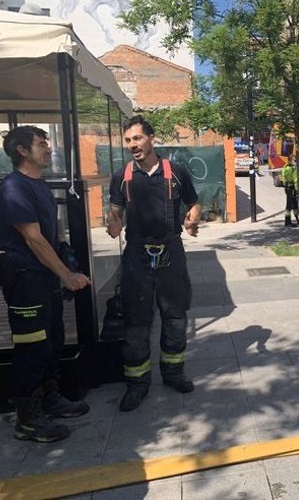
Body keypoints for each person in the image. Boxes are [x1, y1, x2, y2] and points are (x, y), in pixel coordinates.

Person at [0, 126, 92, 443]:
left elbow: (49, 236)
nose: (49, 149)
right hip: (26, 279)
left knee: (52, 341)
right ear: (22, 151)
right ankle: (28, 419)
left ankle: (50, 401)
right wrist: (66, 275)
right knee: (32, 346)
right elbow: (33, 238)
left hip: (43, 278)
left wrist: (64, 260)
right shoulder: (14, 187)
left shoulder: (38, 185)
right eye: (41, 144)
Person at [107, 115, 201, 412]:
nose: (132, 145)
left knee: (175, 316)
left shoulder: (177, 173)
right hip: (136, 253)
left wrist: (194, 217)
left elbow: (194, 202)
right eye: (128, 141)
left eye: (137, 138)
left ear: (151, 139)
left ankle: (173, 373)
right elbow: (114, 212)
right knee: (137, 321)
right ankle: (137, 383)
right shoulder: (121, 176)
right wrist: (113, 224)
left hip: (171, 250)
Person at [281, 156, 297, 226]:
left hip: (288, 188)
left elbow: (282, 178)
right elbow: (294, 178)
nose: (295, 162)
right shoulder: (290, 168)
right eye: (294, 160)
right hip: (291, 188)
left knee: (293, 205)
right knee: (291, 205)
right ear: (290, 160)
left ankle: (290, 221)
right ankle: (288, 222)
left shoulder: (285, 167)